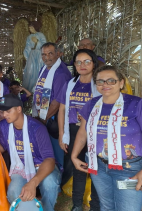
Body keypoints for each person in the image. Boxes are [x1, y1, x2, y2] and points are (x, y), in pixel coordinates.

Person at [72, 65, 142, 211]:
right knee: (106, 206)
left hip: (129, 168)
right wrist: (74, 155)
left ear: (121, 83)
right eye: (100, 81)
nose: (105, 85)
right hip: (99, 167)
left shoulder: (136, 104)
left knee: (128, 208)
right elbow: (83, 131)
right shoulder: (92, 104)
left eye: (111, 80)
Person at [0, 94, 61, 211]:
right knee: (13, 192)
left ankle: (47, 208)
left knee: (50, 183)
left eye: (8, 111)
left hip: (41, 166)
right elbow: (2, 148)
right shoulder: (4, 126)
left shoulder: (37, 128)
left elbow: (49, 159)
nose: (4, 115)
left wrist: (33, 182)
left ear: (19, 109)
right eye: (3, 111)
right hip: (20, 167)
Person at [57, 49, 101, 211]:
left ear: (94, 64)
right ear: (74, 65)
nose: (82, 65)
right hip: (74, 132)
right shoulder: (69, 84)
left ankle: (95, 205)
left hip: (94, 133)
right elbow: (62, 110)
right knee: (79, 168)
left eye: (87, 61)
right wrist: (62, 134)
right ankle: (76, 205)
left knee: (96, 169)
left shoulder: (100, 85)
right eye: (78, 62)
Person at [32, 42, 72, 168]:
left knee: (55, 155)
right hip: (44, 117)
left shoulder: (61, 74)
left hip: (53, 121)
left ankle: (58, 182)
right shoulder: (44, 68)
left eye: (50, 53)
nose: (47, 57)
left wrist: (42, 120)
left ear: (58, 54)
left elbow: (57, 103)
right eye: (44, 54)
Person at [22, 21, 47, 92]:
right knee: (30, 71)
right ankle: (29, 90)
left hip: (39, 55)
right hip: (31, 55)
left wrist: (37, 42)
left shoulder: (41, 35)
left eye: (32, 27)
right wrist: (25, 55)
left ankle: (38, 89)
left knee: (39, 70)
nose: (30, 29)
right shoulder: (29, 37)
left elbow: (45, 45)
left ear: (35, 27)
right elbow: (27, 47)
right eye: (29, 28)